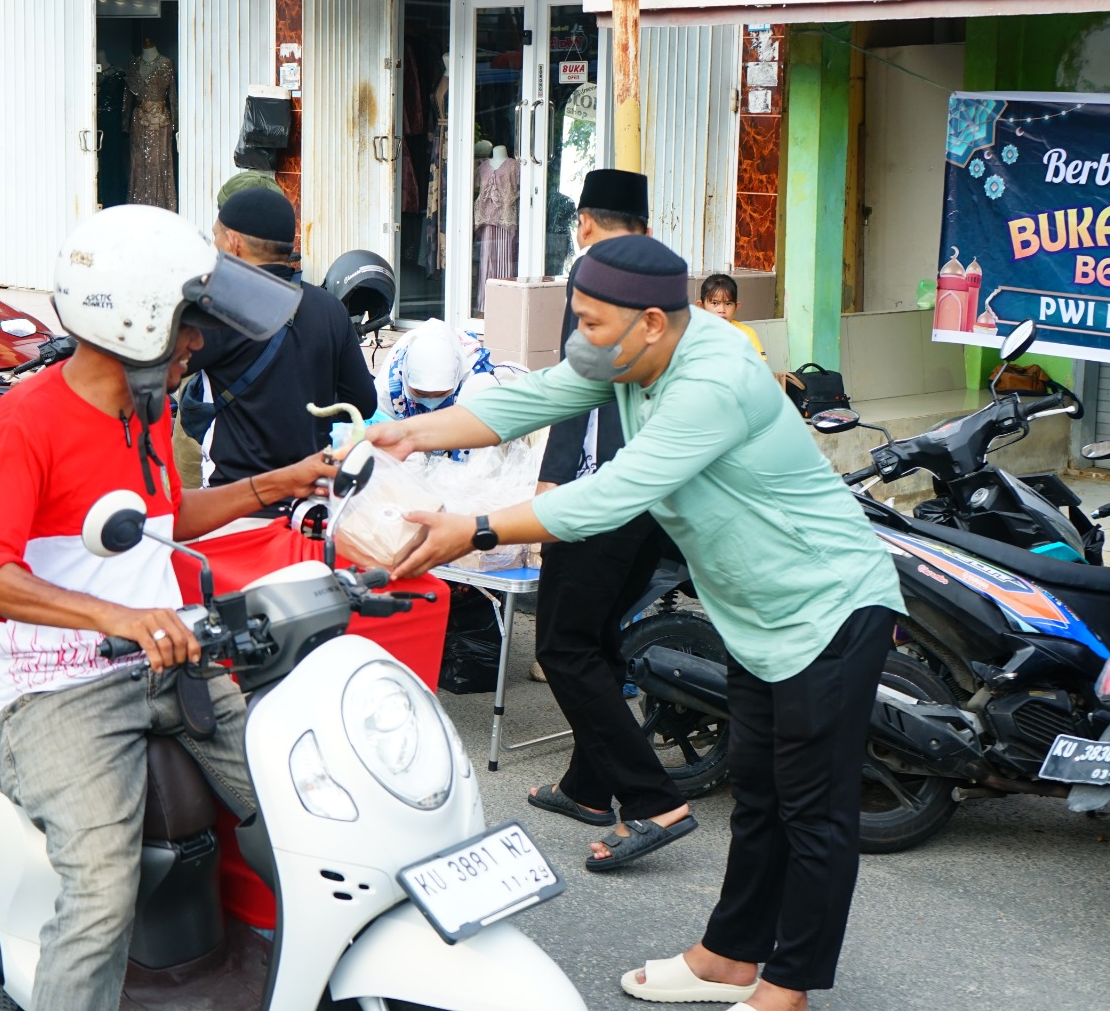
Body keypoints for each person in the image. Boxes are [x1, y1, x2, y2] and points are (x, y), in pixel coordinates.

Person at [364, 234, 904, 1011]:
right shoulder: (629, 352)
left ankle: (787, 988)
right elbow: (532, 398)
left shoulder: (711, 381)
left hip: (830, 606)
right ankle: (729, 956)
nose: (580, 337)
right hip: (757, 615)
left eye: (592, 322)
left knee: (811, 812)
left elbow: (609, 497)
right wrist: (413, 432)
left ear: (651, 322)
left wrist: (475, 529)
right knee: (759, 793)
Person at [0, 205, 334, 1011]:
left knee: (316, 812)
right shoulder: (25, 422)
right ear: (132, 323)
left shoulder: (146, 408)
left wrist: (275, 484)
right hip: (59, 691)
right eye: (187, 324)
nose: (197, 342)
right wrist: (115, 618)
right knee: (101, 896)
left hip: (172, 662)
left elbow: (161, 517)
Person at [524, 168, 692, 864]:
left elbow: (578, 387)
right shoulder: (665, 281)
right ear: (646, 226)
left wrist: (553, 476)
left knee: (562, 645)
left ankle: (651, 799)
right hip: (655, 492)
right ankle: (588, 785)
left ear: (585, 222)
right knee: (595, 637)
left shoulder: (594, 277)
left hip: (603, 493)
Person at [183, 187, 376, 495]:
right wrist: (305, 412)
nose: (214, 246)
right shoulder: (329, 307)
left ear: (233, 243)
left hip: (233, 497)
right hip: (311, 494)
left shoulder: (220, 305)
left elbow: (162, 373)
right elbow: (363, 403)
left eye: (215, 236)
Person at [375, 317, 495, 419]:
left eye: (441, 394)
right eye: (420, 393)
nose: (430, 402)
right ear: (406, 376)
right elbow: (380, 425)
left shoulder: (478, 380)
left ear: (456, 377)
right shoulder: (389, 386)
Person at [699, 274, 766, 359]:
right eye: (715, 303)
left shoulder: (746, 334)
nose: (722, 310)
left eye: (728, 304)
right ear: (701, 307)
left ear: (736, 307)